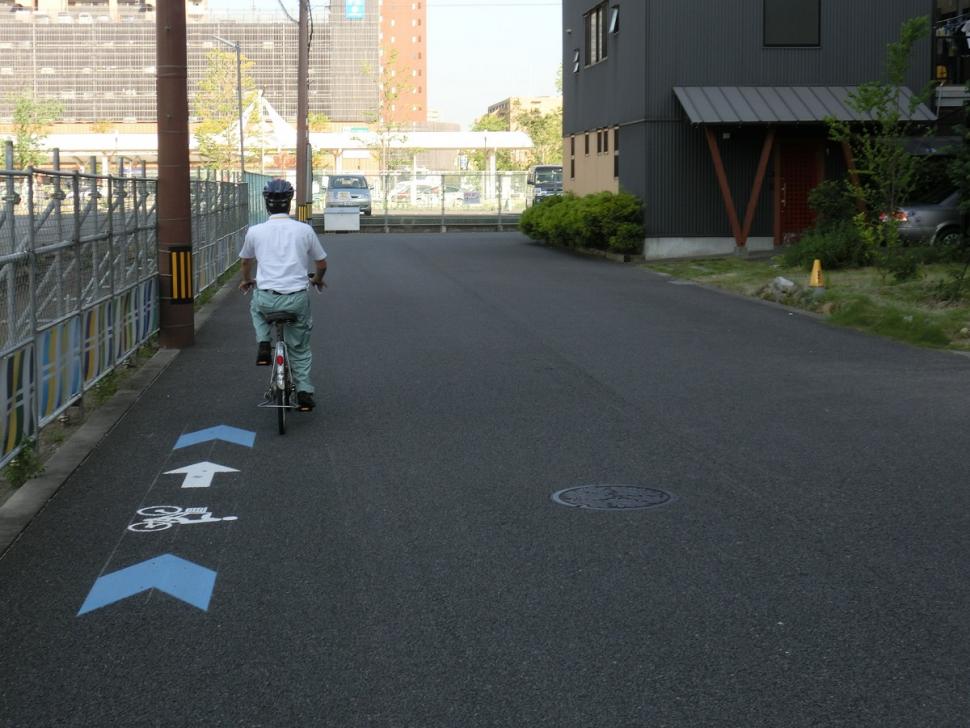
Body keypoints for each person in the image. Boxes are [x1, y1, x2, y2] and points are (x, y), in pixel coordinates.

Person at [238, 179, 327, 412]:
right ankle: (304, 391)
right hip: (296, 298)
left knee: (256, 309)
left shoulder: (255, 231)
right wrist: (317, 279)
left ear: (266, 204)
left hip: (267, 297)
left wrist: (247, 280)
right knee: (299, 347)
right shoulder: (304, 230)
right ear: (290, 203)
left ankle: (264, 343)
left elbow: (246, 261)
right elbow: (322, 263)